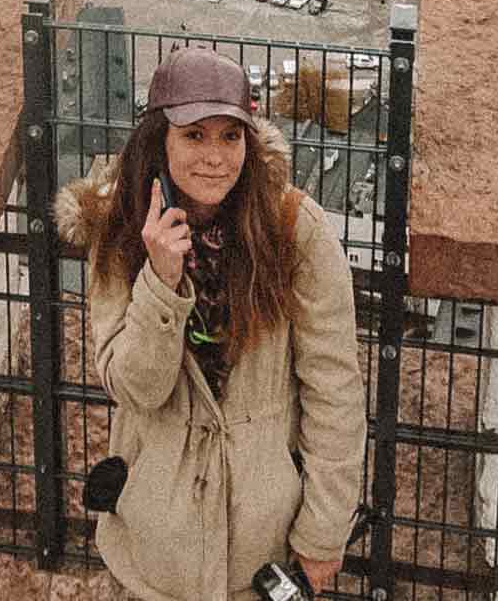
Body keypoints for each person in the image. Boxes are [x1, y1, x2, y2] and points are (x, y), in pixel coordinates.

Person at [55, 47, 365, 600]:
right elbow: (137, 389)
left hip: (260, 542)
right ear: (160, 141)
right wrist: (160, 282)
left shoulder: (294, 229)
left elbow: (334, 391)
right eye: (194, 135)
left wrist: (322, 532)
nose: (216, 157)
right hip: (157, 543)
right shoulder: (120, 234)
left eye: (231, 136)